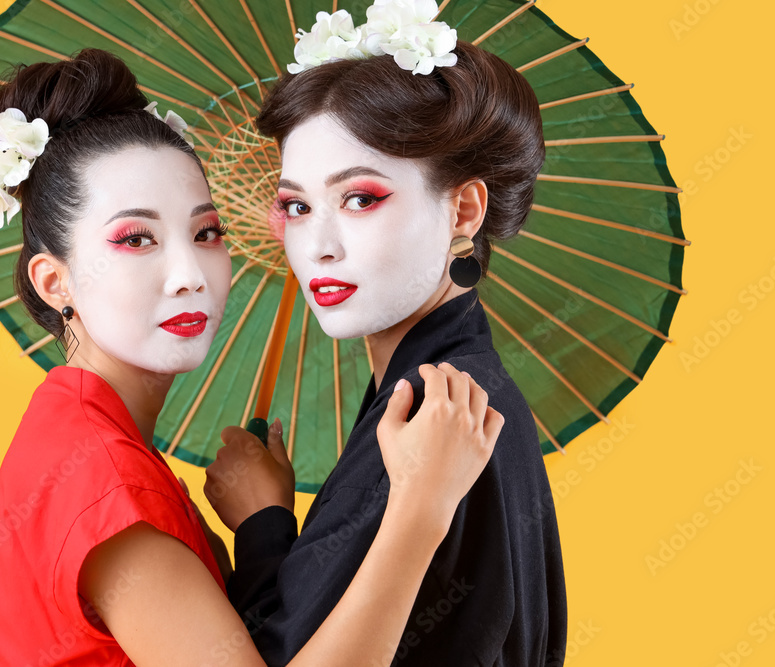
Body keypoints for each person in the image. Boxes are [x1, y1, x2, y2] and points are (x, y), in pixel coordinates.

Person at [0, 47, 504, 666]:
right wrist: (421, 511)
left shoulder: (85, 436)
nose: (189, 275)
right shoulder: (103, 485)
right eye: (137, 239)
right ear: (55, 282)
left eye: (206, 233)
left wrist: (262, 527)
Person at [204, 5, 568, 666]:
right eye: (296, 205)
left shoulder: (432, 411)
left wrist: (262, 526)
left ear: (463, 209)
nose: (317, 246)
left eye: (361, 198)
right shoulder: (458, 386)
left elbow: (278, 654)